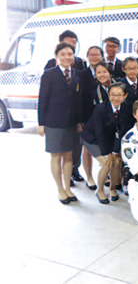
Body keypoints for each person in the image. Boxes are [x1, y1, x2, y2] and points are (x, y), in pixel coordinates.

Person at [38, 42, 82, 204]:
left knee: (69, 156)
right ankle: (60, 189)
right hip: (53, 122)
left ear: (73, 56)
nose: (66, 57)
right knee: (56, 156)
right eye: (62, 54)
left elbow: (78, 101)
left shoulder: (77, 75)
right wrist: (41, 123)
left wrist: (78, 121)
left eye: (69, 54)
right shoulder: (49, 74)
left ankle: (68, 188)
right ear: (56, 56)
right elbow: (43, 100)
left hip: (71, 122)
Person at [44, 30, 87, 183]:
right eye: (67, 43)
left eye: (73, 43)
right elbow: (45, 97)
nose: (68, 54)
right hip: (55, 119)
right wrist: (41, 123)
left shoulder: (79, 67)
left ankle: (72, 175)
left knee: (73, 151)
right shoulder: (50, 67)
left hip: (73, 118)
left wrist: (80, 119)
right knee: (57, 153)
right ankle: (61, 185)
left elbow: (80, 94)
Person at [80, 82, 134, 204]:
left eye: (119, 95)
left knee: (116, 161)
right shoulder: (100, 108)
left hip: (111, 138)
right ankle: (99, 190)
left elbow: (121, 131)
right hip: (92, 138)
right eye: (112, 95)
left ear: (125, 96)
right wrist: (106, 153)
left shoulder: (126, 108)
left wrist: (115, 152)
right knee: (107, 163)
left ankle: (112, 188)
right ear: (108, 95)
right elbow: (99, 132)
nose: (116, 98)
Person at [79, 46, 105, 189]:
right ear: (87, 56)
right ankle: (89, 177)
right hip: (87, 116)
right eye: (91, 54)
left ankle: (105, 173)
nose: (94, 57)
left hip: (104, 116)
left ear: (102, 56)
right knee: (87, 148)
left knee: (103, 146)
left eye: (97, 54)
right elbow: (79, 99)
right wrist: (80, 119)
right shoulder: (81, 74)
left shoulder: (106, 71)